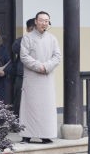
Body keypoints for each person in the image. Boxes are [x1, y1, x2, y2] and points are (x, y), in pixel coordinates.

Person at [19, 11, 61, 143]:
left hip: (46, 78)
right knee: (29, 107)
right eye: (42, 20)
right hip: (32, 77)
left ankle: (45, 135)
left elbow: (57, 56)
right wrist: (39, 66)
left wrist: (46, 66)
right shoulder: (27, 38)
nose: (44, 23)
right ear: (36, 21)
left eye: (46, 21)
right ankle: (26, 135)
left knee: (46, 107)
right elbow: (24, 57)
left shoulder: (52, 38)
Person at [10, 17, 34, 117]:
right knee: (19, 100)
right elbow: (14, 49)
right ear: (27, 29)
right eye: (32, 29)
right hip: (22, 75)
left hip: (36, 75)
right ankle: (17, 121)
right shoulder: (20, 40)